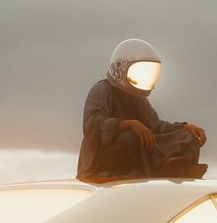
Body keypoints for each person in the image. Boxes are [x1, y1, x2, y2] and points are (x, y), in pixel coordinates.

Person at [77, 38, 207, 181]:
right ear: (121, 67)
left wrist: (185, 127)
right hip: (99, 161)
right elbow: (92, 127)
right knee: (132, 137)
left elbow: (156, 127)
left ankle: (171, 167)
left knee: (187, 137)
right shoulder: (102, 90)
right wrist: (128, 124)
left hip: (139, 152)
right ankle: (156, 166)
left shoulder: (139, 100)